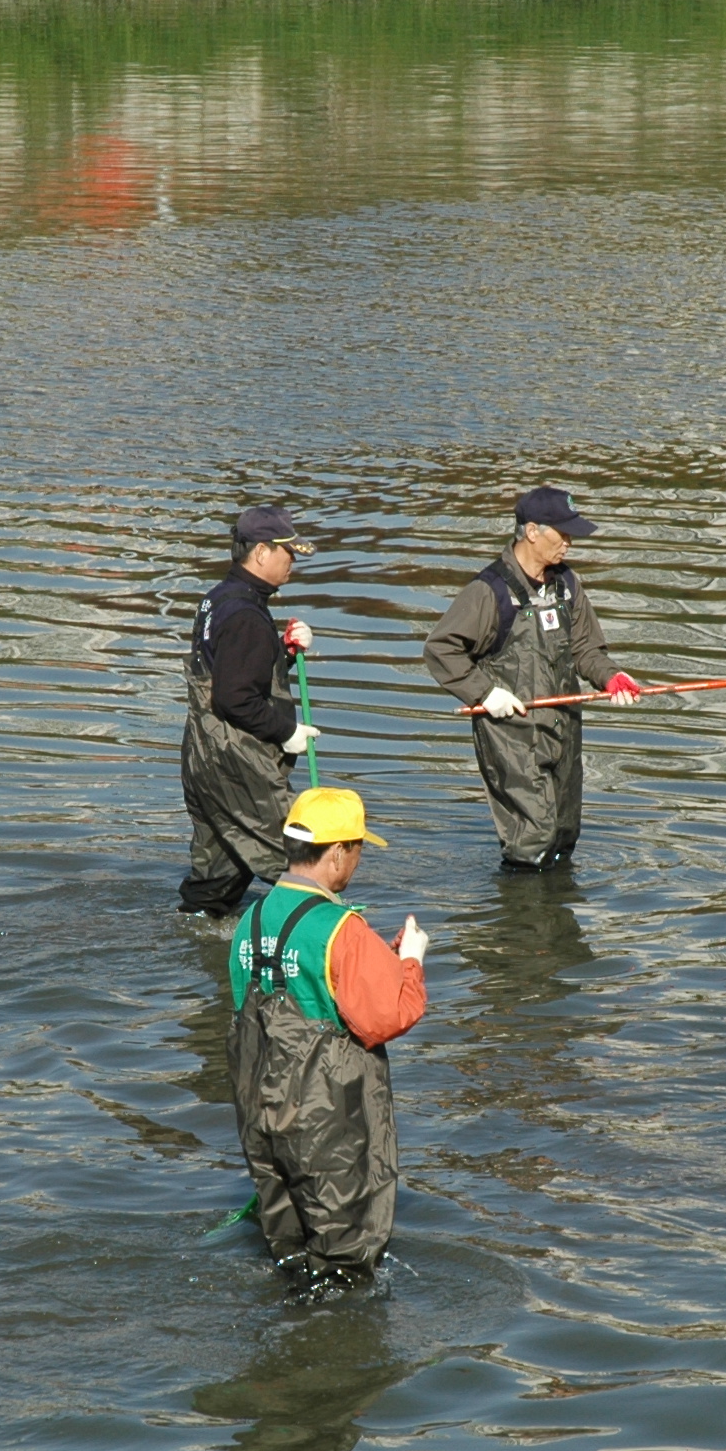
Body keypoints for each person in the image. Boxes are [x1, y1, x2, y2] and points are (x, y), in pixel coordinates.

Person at [228, 787, 428, 1280]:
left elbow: (282, 991)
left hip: (260, 1113)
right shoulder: (343, 927)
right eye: (358, 850)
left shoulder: (249, 921)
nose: (358, 862)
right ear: (337, 853)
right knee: (345, 1262)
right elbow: (389, 1016)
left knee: (289, 1256)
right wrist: (409, 962)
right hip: (327, 1121)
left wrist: (378, 961)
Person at [422, 487, 640, 870]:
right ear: (533, 531)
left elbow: (587, 650)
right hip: (513, 735)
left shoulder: (567, 585)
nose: (569, 543)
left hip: (565, 729)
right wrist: (486, 693)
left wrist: (611, 677)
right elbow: (440, 648)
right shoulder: (489, 591)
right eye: (563, 533)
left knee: (563, 833)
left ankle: (557, 921)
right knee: (533, 838)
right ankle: (521, 920)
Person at [181, 505, 320, 916]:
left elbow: (229, 670)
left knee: (216, 881)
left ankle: (196, 942)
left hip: (203, 756)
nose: (292, 561)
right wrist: (286, 731)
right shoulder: (247, 615)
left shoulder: (218, 598)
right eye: (287, 552)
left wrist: (282, 653)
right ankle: (318, 951)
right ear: (261, 552)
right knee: (299, 862)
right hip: (238, 762)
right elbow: (234, 697)